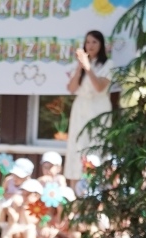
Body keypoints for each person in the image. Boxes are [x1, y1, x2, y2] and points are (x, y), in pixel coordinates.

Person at [64, 30, 114, 180]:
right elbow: (72, 88)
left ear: (101, 44)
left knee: (97, 141)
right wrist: (80, 67)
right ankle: (75, 181)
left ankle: (97, 180)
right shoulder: (80, 65)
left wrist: (88, 68)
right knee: (78, 143)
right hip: (81, 108)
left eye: (94, 42)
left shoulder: (108, 64)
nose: (90, 45)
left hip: (99, 108)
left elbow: (99, 87)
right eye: (87, 42)